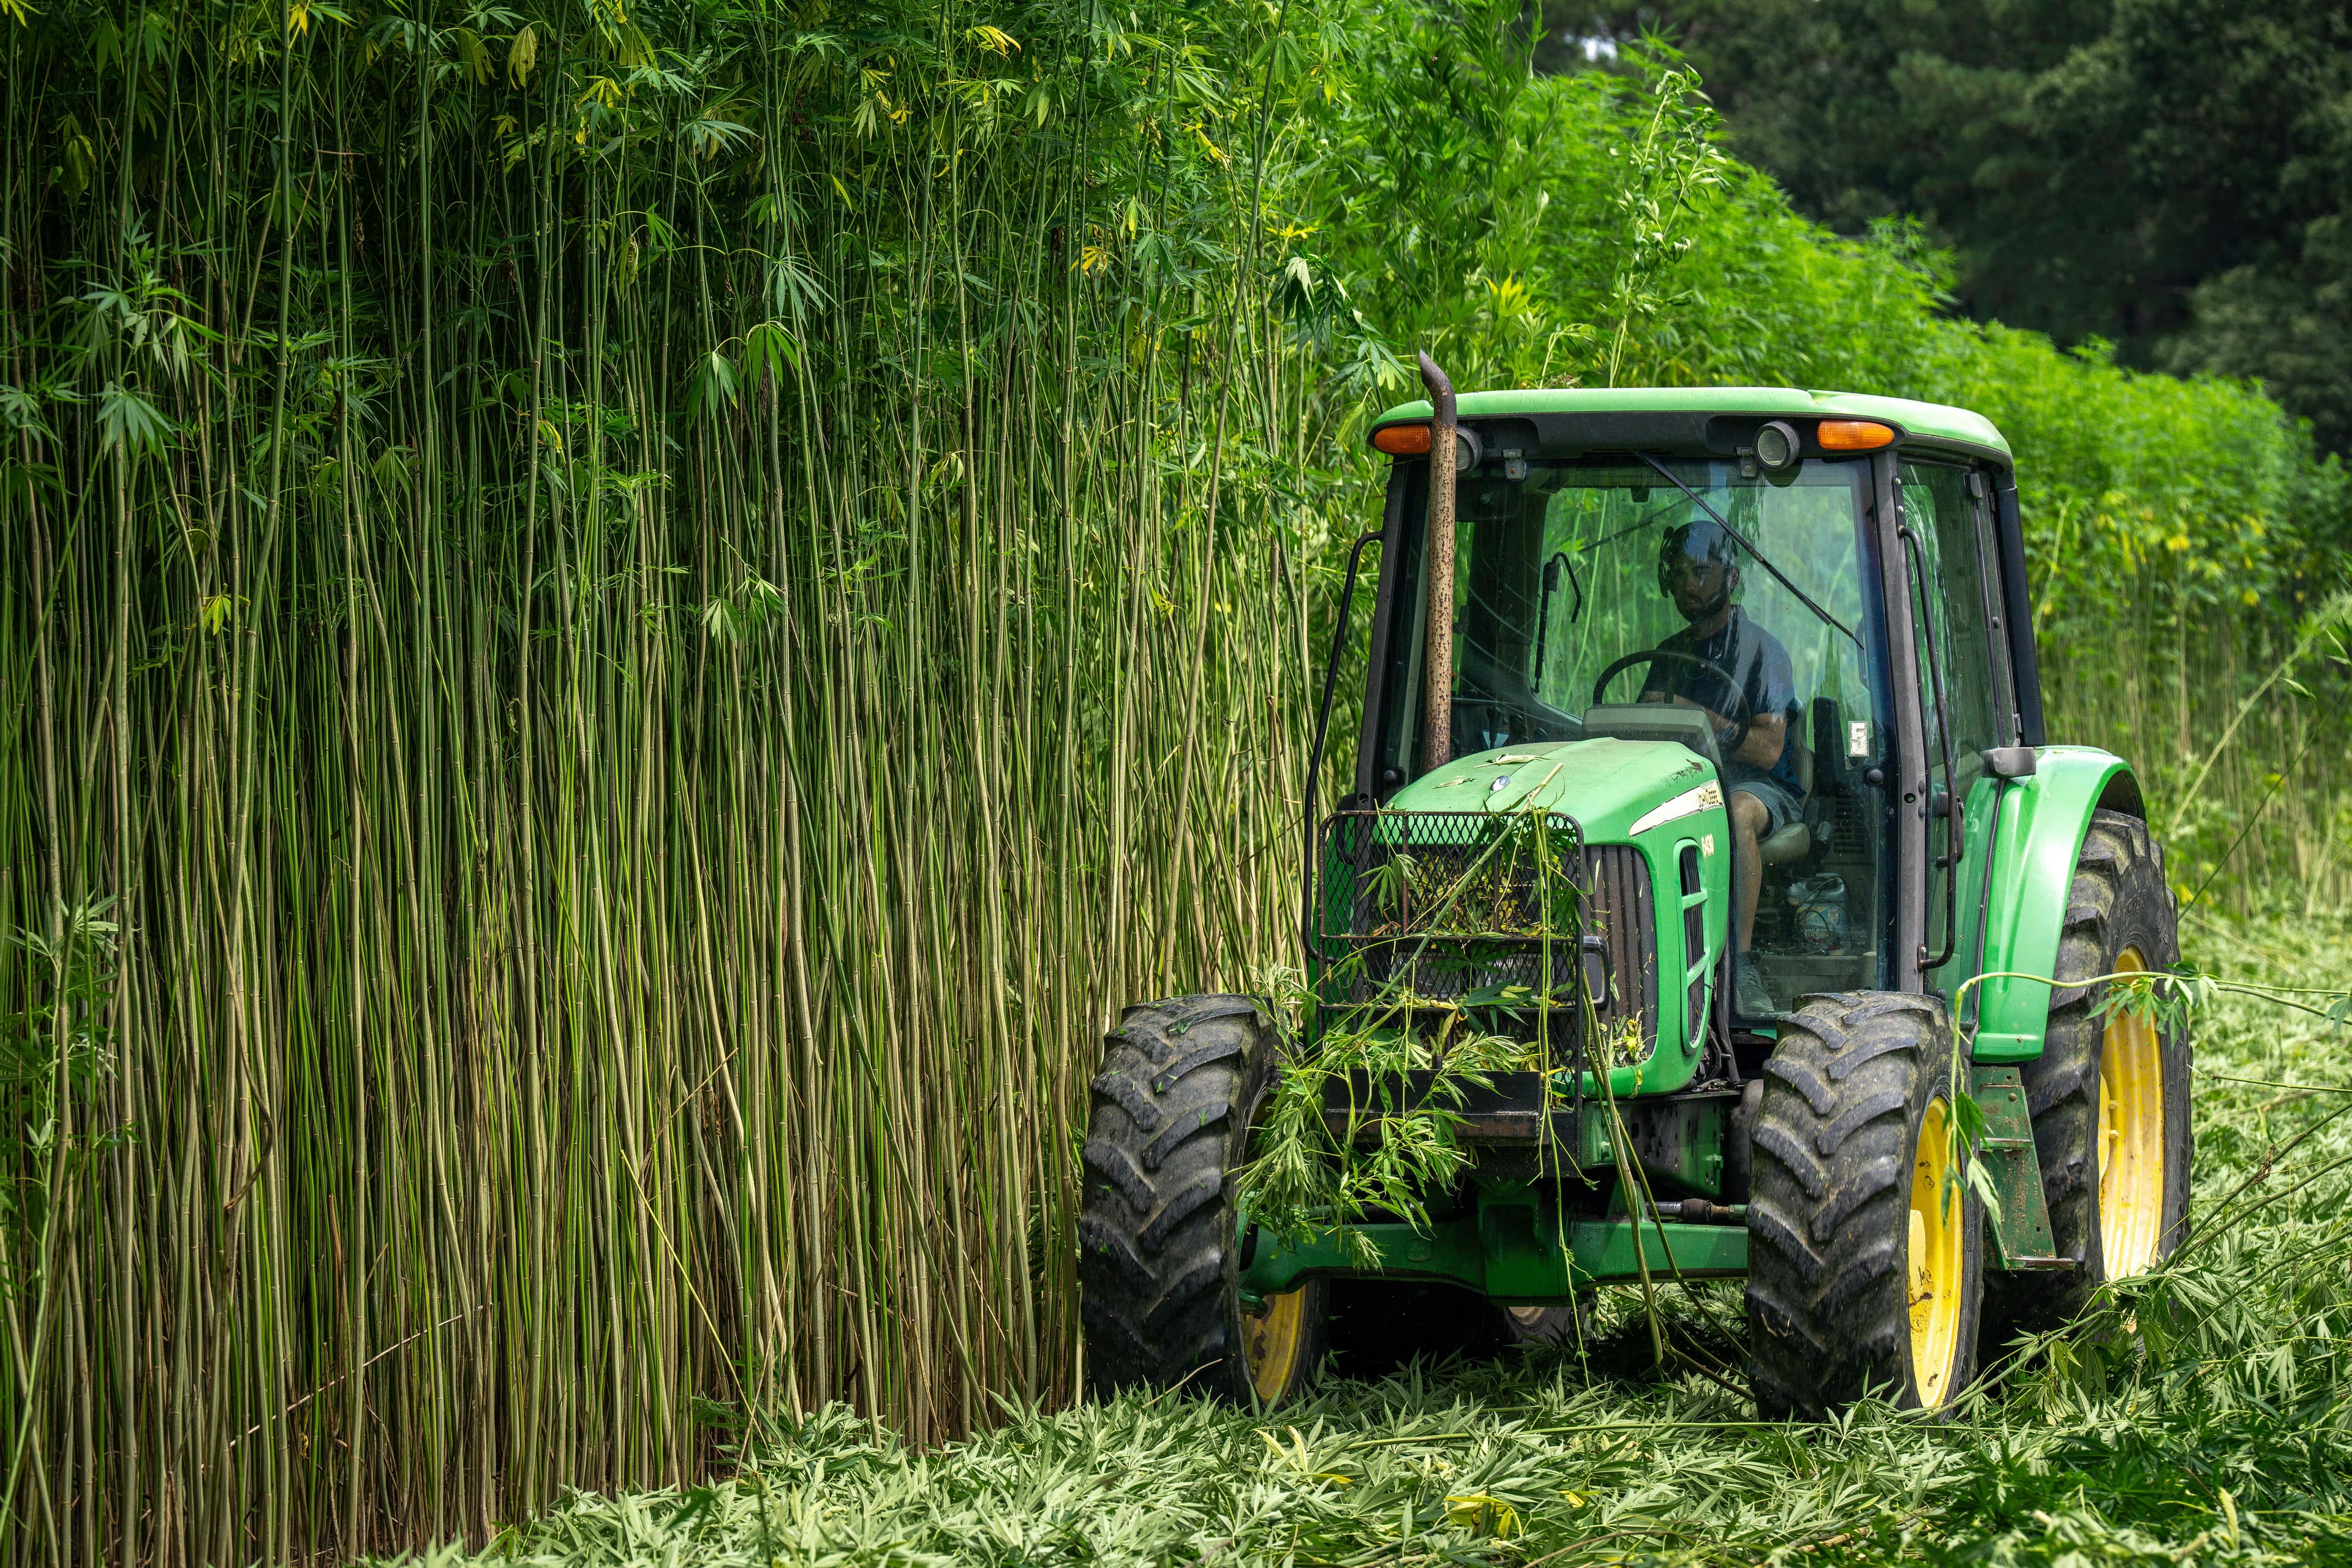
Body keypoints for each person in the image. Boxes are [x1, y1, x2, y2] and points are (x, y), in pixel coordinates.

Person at [1640, 518, 1800, 1017]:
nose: (1690, 583)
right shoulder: (1669, 653)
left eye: (1702, 571)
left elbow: (1771, 749)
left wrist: (1697, 719)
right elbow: (1641, 722)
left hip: (1759, 788)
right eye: (1681, 572)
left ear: (1731, 577)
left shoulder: (1763, 651)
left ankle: (1742, 963)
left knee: (1732, 812)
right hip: (1685, 781)